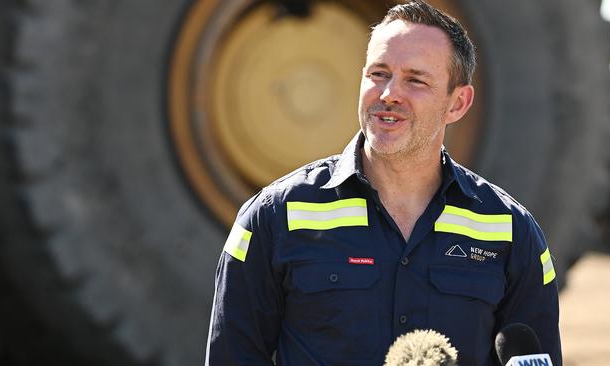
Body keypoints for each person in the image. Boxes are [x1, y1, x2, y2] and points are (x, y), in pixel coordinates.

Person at [205, 1, 562, 365]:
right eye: (378, 74)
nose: (389, 93)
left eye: (415, 80)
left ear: (457, 103)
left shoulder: (512, 233)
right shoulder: (274, 218)